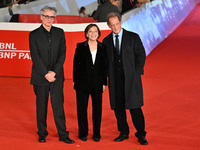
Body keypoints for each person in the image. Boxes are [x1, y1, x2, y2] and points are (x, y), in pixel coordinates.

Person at [29, 6, 74, 144]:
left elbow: (63, 53)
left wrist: (54, 72)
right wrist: (46, 73)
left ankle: (63, 134)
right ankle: (42, 133)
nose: (49, 19)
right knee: (41, 107)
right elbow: (35, 56)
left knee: (58, 106)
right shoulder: (33, 34)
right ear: (41, 17)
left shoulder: (60, 32)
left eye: (51, 17)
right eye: (46, 16)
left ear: (54, 18)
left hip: (57, 75)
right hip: (40, 76)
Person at [102, 12, 148, 145]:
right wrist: (104, 80)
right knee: (118, 108)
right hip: (115, 79)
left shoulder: (133, 37)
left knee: (135, 107)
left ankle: (141, 134)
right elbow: (104, 63)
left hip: (131, 78)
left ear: (120, 22)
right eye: (112, 25)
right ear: (109, 26)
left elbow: (141, 55)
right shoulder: (106, 41)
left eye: (117, 24)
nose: (115, 27)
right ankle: (123, 132)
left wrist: (137, 72)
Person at [73, 24, 107, 142]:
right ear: (86, 33)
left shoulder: (103, 47)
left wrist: (104, 82)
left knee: (97, 109)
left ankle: (96, 133)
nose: (93, 34)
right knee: (81, 109)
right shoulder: (80, 47)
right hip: (82, 83)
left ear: (98, 33)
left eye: (95, 31)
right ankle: (83, 132)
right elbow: (75, 65)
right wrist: (75, 81)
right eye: (90, 31)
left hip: (97, 83)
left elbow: (104, 67)